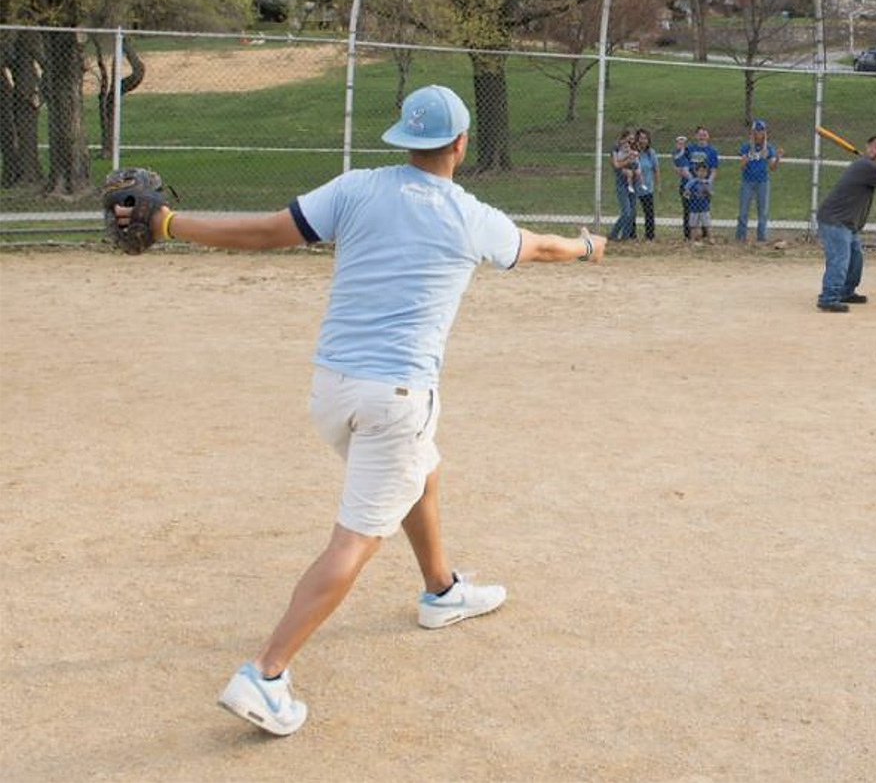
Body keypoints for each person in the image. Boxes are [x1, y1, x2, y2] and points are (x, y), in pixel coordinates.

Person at [112, 85, 607, 737]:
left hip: (332, 389)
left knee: (423, 471)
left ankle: (441, 590)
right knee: (355, 538)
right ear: (460, 145)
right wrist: (587, 247)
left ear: (403, 138)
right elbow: (539, 247)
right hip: (394, 401)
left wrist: (166, 224)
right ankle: (265, 674)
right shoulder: (469, 214)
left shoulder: (357, 187)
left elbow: (266, 232)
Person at [814, 134, 876, 312]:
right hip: (835, 220)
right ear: (868, 148)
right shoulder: (866, 166)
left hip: (848, 223)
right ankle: (828, 298)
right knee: (840, 260)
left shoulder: (869, 166)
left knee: (856, 259)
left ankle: (845, 292)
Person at [735, 119, 782, 242]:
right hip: (747, 181)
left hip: (762, 181)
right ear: (753, 132)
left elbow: (772, 168)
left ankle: (761, 238)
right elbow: (742, 166)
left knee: (763, 212)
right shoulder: (746, 147)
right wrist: (747, 157)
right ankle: (740, 237)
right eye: (757, 131)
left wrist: (777, 158)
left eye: (762, 131)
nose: (759, 133)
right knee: (743, 211)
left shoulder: (768, 148)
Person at [608, 128, 638, 241]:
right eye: (629, 139)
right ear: (623, 138)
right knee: (626, 212)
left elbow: (636, 163)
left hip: (634, 182)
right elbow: (616, 165)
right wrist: (628, 160)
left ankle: (625, 236)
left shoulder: (633, 148)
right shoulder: (616, 149)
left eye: (633, 139)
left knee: (632, 212)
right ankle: (613, 234)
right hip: (622, 182)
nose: (631, 142)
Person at [634, 128, 659, 241]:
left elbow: (656, 169)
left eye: (645, 138)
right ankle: (631, 235)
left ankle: (649, 236)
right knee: (631, 213)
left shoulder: (651, 153)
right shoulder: (633, 152)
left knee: (649, 213)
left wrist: (658, 185)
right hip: (634, 187)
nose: (643, 140)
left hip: (647, 187)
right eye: (641, 138)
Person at [683, 162, 713, 242]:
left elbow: (711, 194)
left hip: (704, 207)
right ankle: (693, 239)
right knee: (693, 225)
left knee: (707, 224)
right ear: (696, 172)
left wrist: (707, 191)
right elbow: (685, 193)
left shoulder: (707, 183)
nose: (702, 173)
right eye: (700, 171)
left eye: (704, 171)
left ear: (707, 173)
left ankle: (710, 238)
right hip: (694, 208)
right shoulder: (692, 182)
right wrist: (688, 194)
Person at [672, 135, 693, 239]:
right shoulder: (676, 153)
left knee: (698, 210)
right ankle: (687, 234)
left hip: (694, 186)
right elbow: (680, 168)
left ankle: (699, 233)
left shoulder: (688, 152)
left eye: (683, 143)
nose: (681, 145)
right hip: (685, 186)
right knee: (687, 210)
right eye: (679, 143)